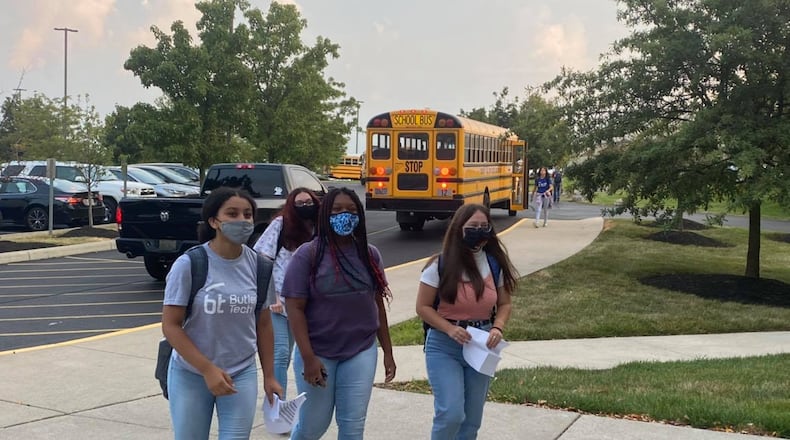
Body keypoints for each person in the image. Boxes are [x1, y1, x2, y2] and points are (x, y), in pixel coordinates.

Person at [162, 186, 283, 440]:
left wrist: (270, 376)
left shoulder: (261, 267)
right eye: (232, 214)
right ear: (214, 221)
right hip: (191, 372)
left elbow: (263, 324)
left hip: (242, 371)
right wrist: (207, 369)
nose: (242, 220)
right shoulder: (190, 264)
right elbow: (171, 326)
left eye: (248, 214)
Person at [282, 187, 397, 440]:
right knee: (313, 426)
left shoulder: (369, 254)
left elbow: (376, 303)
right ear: (325, 215)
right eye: (337, 210)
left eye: (351, 210)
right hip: (318, 353)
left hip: (361, 350)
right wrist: (308, 358)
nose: (345, 215)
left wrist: (388, 351)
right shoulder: (308, 254)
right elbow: (295, 308)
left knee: (353, 426)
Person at [416, 203, 518, 440]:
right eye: (473, 227)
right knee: (450, 413)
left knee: (472, 419)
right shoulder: (439, 265)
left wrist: (498, 326)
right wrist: (450, 329)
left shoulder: (494, 265)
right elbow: (422, 307)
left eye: (484, 226)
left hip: (482, 344)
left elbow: (504, 304)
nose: (479, 231)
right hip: (444, 344)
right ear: (458, 229)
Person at [253, 187, 320, 400]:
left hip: (306, 304)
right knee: (280, 353)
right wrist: (270, 296)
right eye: (299, 203)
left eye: (309, 202)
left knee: (300, 353)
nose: (305, 207)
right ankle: (277, 405)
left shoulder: (320, 227)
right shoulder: (281, 225)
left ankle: (303, 399)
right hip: (279, 302)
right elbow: (262, 258)